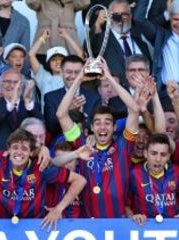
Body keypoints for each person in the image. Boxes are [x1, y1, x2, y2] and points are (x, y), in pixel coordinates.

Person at [56, 57, 140, 218]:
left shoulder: (123, 146)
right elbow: (61, 114)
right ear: (92, 127)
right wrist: (78, 79)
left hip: (117, 224)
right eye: (98, 123)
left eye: (107, 123)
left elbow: (134, 109)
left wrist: (108, 78)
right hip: (89, 224)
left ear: (114, 127)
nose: (102, 127)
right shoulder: (82, 145)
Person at [128, 133, 179, 226]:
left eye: (163, 154)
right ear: (145, 153)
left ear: (168, 156)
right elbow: (125, 205)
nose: (158, 159)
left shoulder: (176, 172)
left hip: (172, 230)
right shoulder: (134, 174)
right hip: (144, 229)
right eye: (154, 153)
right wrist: (133, 217)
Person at [90, 0, 151, 88]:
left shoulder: (142, 44)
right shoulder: (101, 41)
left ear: (130, 16)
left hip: (143, 97)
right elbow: (89, 50)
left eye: (124, 15)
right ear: (109, 18)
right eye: (115, 16)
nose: (120, 19)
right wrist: (97, 24)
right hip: (115, 97)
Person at [0, 69, 42, 151]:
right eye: (7, 81)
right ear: (0, 85)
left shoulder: (30, 106)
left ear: (22, 85)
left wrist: (27, 101)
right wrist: (11, 102)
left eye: (16, 82)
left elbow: (41, 125)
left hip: (25, 157)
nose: (11, 86)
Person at [44, 55, 101, 139]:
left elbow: (98, 126)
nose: (73, 76)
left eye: (77, 72)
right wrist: (68, 110)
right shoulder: (50, 97)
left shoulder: (94, 97)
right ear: (61, 72)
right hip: (61, 145)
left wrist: (82, 116)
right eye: (69, 72)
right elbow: (52, 128)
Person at [26, 0, 90, 57]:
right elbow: (31, 2)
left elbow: (85, 3)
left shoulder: (72, 2)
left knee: (70, 67)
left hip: (69, 42)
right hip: (45, 42)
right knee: (42, 68)